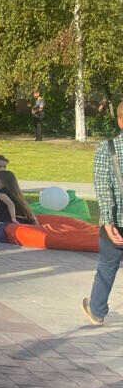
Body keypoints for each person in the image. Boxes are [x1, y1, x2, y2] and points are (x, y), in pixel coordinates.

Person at [82, 101, 123, 325]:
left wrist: (107, 220)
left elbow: (103, 187)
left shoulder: (107, 149)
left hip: (116, 221)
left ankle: (97, 311)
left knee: (107, 266)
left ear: (119, 120)